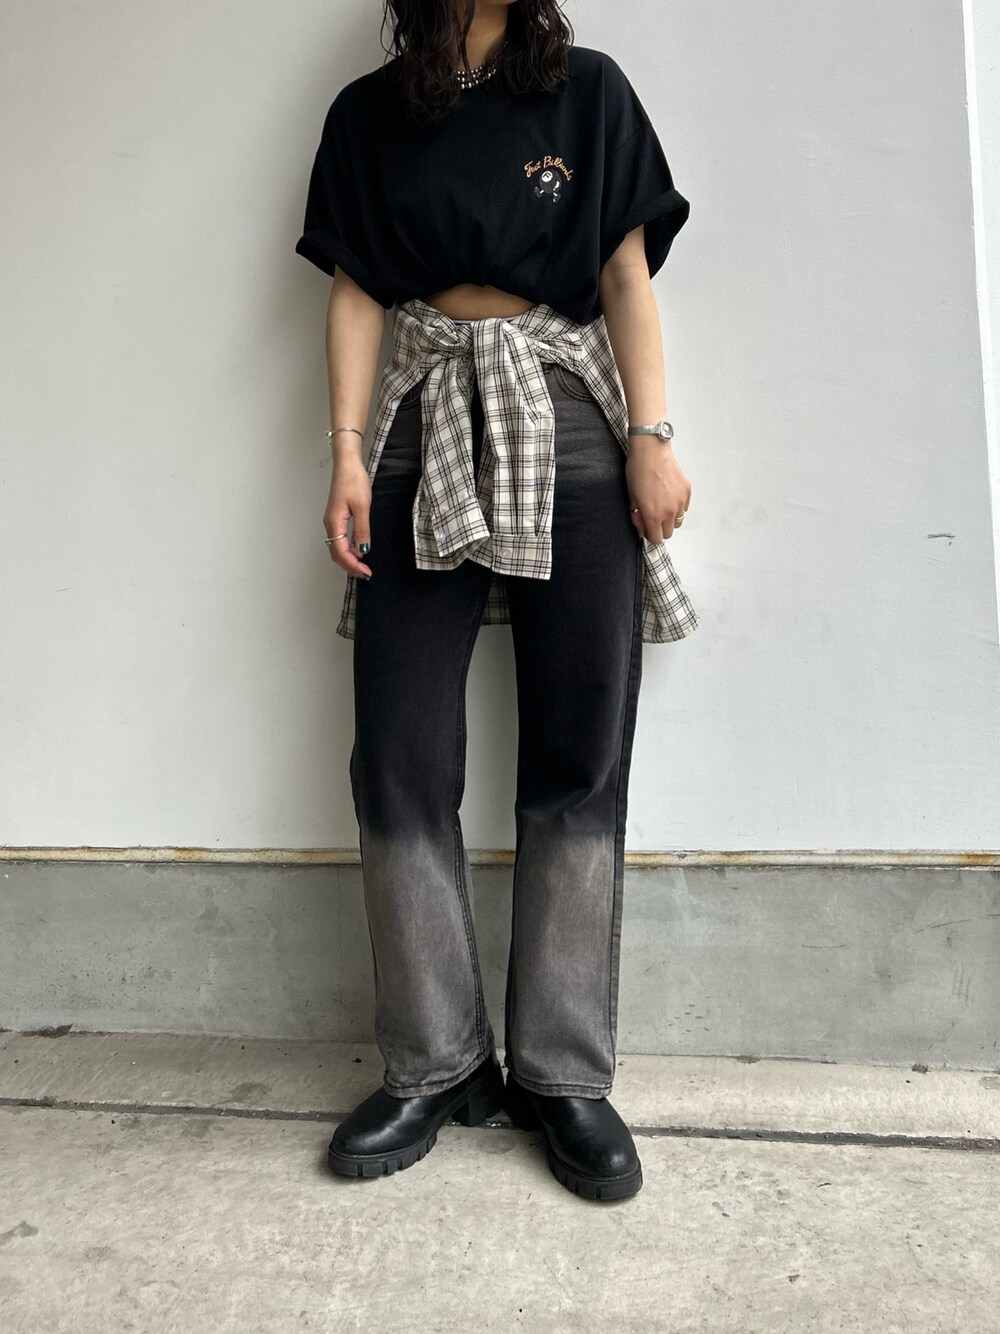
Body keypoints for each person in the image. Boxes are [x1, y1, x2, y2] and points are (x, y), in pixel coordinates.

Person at [294, 0, 699, 1203]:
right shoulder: (369, 113)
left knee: (579, 748)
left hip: (564, 415)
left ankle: (564, 1073)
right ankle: (434, 1060)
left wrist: (650, 437)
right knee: (399, 752)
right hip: (422, 420)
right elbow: (356, 289)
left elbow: (622, 273)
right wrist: (347, 454)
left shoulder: (589, 91)